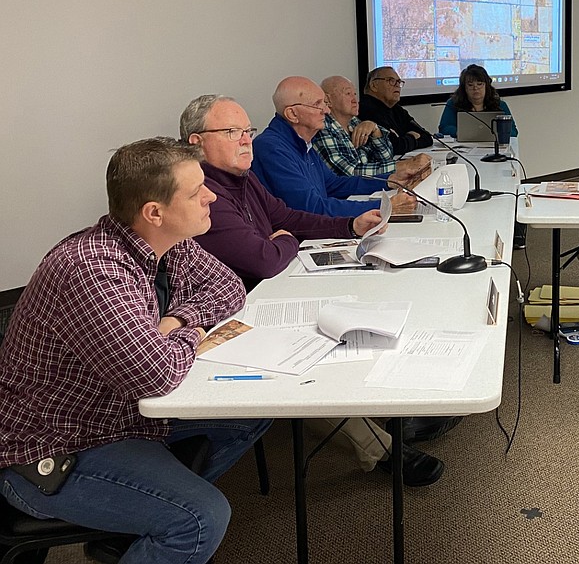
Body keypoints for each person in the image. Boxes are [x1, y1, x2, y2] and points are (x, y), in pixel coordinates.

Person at [0, 138, 271, 564]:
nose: (212, 196)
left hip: (123, 415)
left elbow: (229, 288)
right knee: (200, 518)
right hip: (55, 449)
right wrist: (190, 337)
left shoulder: (168, 242)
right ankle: (153, 518)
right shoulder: (93, 268)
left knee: (254, 411)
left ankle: (127, 525)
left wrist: (178, 320)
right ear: (154, 212)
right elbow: (155, 374)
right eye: (196, 190)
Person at [181, 95, 454, 485]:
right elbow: (263, 258)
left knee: (356, 303)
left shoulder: (242, 177)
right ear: (195, 142)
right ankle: (385, 448)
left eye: (247, 131)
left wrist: (349, 227)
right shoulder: (204, 192)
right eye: (231, 132)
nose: (245, 141)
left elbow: (286, 218)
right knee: (313, 350)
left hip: (274, 288)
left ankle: (396, 402)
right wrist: (287, 239)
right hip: (238, 313)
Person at [252, 76, 417, 218]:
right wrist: (383, 208)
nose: (326, 109)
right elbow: (311, 208)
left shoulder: (302, 141)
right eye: (318, 104)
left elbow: (334, 184)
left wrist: (389, 180)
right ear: (292, 114)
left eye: (324, 103)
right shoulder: (271, 148)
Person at [315, 75, 431, 185]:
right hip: (345, 197)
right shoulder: (323, 128)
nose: (354, 99)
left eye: (355, 94)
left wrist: (376, 132)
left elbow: (385, 157)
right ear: (327, 100)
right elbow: (349, 172)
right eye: (348, 93)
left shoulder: (355, 122)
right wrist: (403, 165)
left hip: (369, 189)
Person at [358, 66, 434, 156]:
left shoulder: (396, 109)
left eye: (399, 82)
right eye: (391, 80)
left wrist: (404, 139)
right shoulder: (365, 109)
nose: (397, 85)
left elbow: (427, 137)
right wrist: (412, 136)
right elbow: (393, 146)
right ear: (374, 85)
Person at [437, 64, 518, 138]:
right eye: (470, 85)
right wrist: (463, 133)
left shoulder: (500, 105)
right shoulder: (453, 103)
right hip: (463, 148)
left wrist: (496, 134)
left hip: (493, 147)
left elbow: (513, 132)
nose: (475, 88)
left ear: (486, 85)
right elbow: (444, 128)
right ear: (464, 88)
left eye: (479, 84)